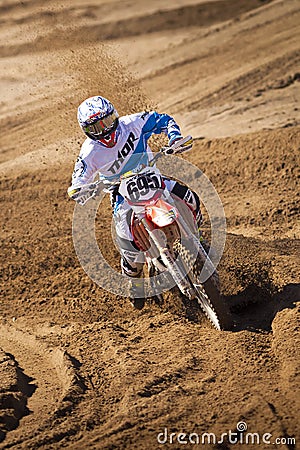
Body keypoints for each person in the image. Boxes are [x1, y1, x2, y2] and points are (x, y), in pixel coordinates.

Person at [68, 96, 201, 309]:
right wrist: (81, 191)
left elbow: (163, 120)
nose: (104, 130)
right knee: (130, 245)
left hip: (151, 179)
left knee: (190, 200)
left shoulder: (134, 123)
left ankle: (198, 239)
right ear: (86, 130)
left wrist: (174, 138)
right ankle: (134, 281)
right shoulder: (89, 152)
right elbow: (78, 180)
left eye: (107, 121)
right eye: (96, 127)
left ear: (115, 115)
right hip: (121, 194)